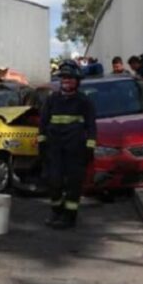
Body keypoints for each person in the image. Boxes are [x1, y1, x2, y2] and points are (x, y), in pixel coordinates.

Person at [39, 59, 97, 230]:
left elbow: (91, 126)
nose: (67, 82)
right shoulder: (52, 100)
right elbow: (43, 123)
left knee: (73, 184)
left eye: (70, 79)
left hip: (76, 150)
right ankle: (56, 212)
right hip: (54, 149)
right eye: (64, 79)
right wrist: (42, 144)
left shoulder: (84, 101)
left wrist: (90, 147)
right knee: (54, 182)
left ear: (77, 81)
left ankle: (69, 217)